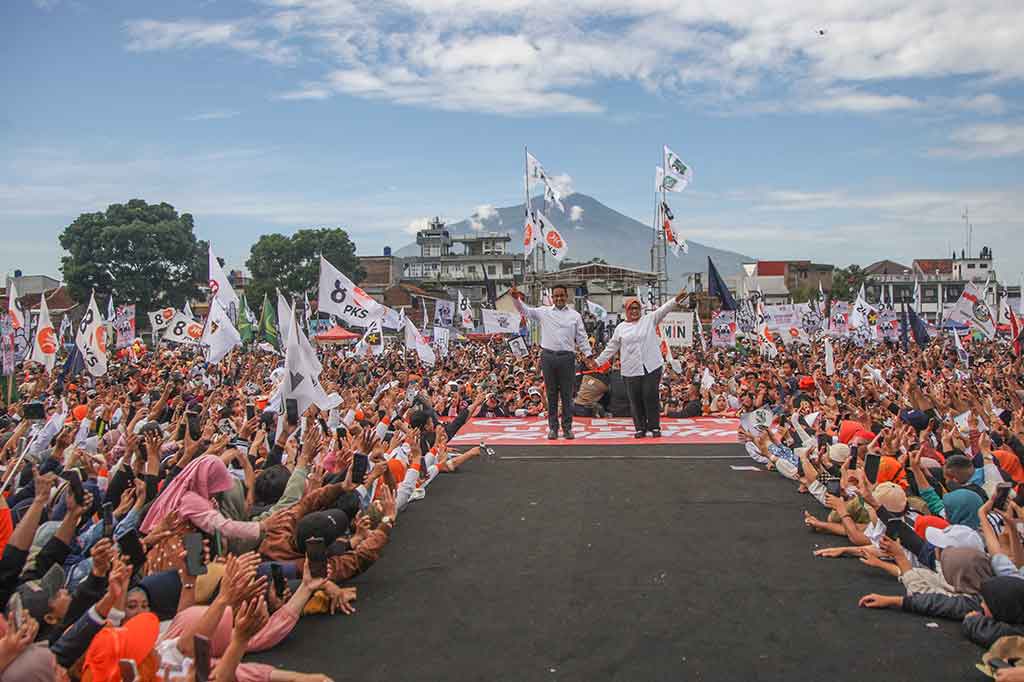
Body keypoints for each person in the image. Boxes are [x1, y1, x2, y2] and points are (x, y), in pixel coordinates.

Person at [593, 290, 687, 438]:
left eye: (637, 308)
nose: (634, 311)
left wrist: (676, 299)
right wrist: (597, 362)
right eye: (631, 308)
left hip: (651, 366)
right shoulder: (620, 328)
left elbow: (664, 309)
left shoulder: (649, 319)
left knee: (650, 396)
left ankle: (654, 426)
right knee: (635, 399)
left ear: (641, 310)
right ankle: (640, 428)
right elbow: (611, 348)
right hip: (631, 369)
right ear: (626, 311)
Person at [510, 284, 592, 440]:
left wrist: (588, 355)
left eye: (562, 295)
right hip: (548, 357)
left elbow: (581, 338)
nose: (559, 298)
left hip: (567, 358)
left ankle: (567, 428)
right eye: (556, 296)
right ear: (552, 298)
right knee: (552, 395)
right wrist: (516, 299)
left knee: (567, 395)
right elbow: (524, 311)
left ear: (566, 296)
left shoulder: (575, 316)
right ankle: (553, 428)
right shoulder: (544, 312)